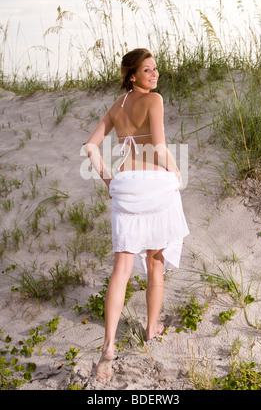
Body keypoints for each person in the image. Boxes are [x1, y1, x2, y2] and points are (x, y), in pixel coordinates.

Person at [83, 48, 189, 383]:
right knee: (155, 259)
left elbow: (90, 146)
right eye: (147, 70)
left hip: (125, 186)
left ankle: (109, 345)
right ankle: (151, 328)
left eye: (156, 69)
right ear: (132, 75)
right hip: (153, 185)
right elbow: (158, 147)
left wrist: (108, 180)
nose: (155, 75)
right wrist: (177, 174)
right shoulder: (154, 100)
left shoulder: (116, 107)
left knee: (122, 267)